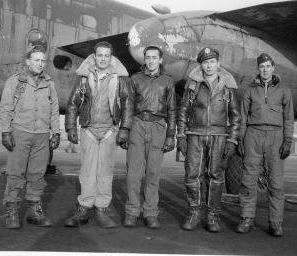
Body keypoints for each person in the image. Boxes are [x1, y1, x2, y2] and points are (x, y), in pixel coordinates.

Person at [65, 41, 133, 228]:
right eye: (100, 55)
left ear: (111, 57)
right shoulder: (84, 78)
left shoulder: (120, 79)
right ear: (94, 57)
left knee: (105, 172)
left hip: (109, 131)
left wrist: (125, 130)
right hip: (88, 130)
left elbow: (128, 105)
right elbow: (72, 104)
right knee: (87, 172)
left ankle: (101, 209)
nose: (103, 59)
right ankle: (84, 207)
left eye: (106, 56)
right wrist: (71, 128)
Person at [177, 47, 241, 233]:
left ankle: (212, 216)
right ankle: (194, 213)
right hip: (195, 135)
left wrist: (232, 140)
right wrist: (181, 135)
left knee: (216, 177)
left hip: (219, 136)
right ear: (201, 64)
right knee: (191, 176)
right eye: (205, 62)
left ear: (218, 63)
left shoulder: (228, 86)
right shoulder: (193, 84)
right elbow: (183, 111)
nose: (209, 65)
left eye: (212, 61)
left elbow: (235, 116)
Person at [0, 45, 60, 229]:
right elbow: (6, 107)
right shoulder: (15, 81)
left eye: (43, 61)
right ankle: (12, 212)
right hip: (20, 133)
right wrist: (6, 131)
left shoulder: (49, 83)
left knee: (37, 175)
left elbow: (55, 110)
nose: (40, 64)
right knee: (15, 174)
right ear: (28, 61)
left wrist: (56, 132)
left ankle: (34, 211)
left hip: (42, 136)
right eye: (36, 60)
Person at [236, 53, 294, 237]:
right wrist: (240, 139)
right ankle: (247, 218)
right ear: (258, 69)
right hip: (253, 136)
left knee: (276, 182)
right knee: (248, 180)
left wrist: (287, 141)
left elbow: (288, 118)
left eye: (268, 66)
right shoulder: (249, 90)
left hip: (275, 137)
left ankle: (275, 222)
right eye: (262, 67)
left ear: (273, 68)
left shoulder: (284, 90)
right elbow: (243, 117)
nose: (265, 70)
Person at [123, 45, 177, 229]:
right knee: (134, 173)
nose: (151, 61)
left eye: (155, 57)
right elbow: (128, 106)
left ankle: (150, 213)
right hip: (138, 124)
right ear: (144, 59)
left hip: (158, 127)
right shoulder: (135, 79)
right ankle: (131, 212)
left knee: (153, 173)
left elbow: (172, 110)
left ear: (160, 60)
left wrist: (171, 134)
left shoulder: (168, 81)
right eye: (148, 57)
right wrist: (125, 130)